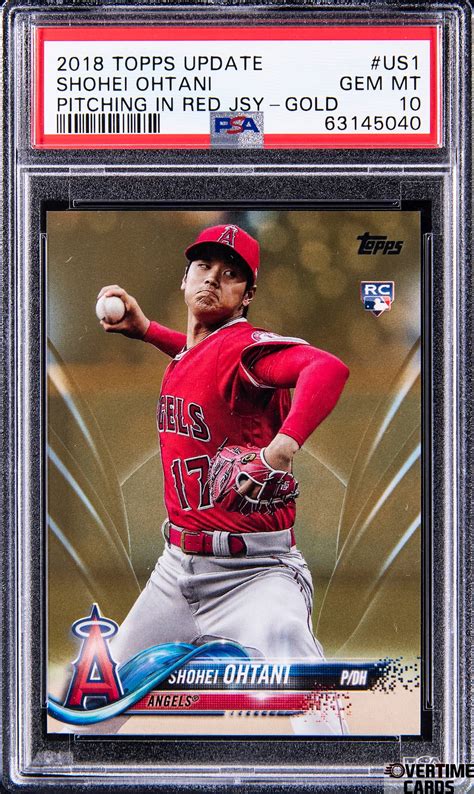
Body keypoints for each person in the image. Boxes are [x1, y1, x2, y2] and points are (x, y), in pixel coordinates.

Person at [98, 223, 350, 734]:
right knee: (96, 706)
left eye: (231, 273)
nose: (213, 278)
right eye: (204, 266)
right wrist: (148, 331)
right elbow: (201, 362)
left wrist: (282, 446)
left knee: (292, 657)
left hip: (255, 573)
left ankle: (338, 768)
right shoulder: (198, 352)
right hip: (176, 573)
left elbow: (327, 368)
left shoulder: (246, 347)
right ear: (185, 278)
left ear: (248, 296)